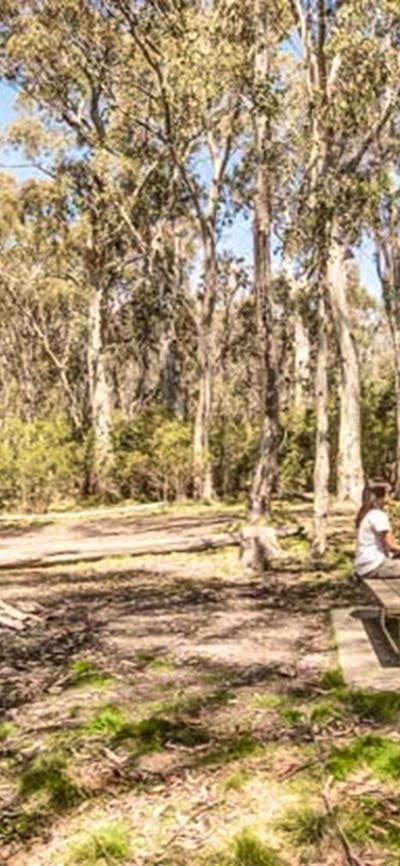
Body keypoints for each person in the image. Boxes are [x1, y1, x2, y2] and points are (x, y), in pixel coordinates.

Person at [355, 479, 400, 579]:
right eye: (389, 492)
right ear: (380, 496)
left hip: (364, 566)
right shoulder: (378, 515)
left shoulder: (367, 513)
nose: (392, 495)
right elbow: (391, 546)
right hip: (374, 566)